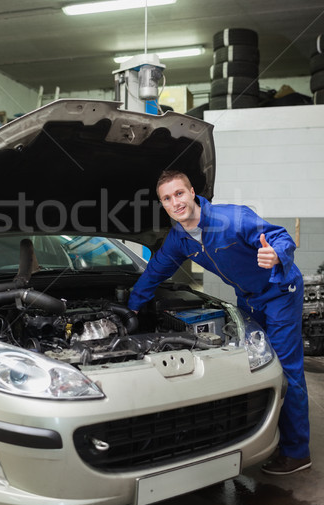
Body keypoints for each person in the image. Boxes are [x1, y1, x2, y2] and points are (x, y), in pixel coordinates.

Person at [128, 169, 311, 475]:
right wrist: (131, 308)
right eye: (167, 198)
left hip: (280, 290)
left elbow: (280, 236)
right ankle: (260, 435)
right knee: (254, 364)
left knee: (286, 368)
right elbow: (155, 272)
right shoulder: (179, 239)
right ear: (163, 204)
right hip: (249, 296)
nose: (175, 202)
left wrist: (276, 254)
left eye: (179, 193)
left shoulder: (232, 219)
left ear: (192, 193)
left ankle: (296, 451)